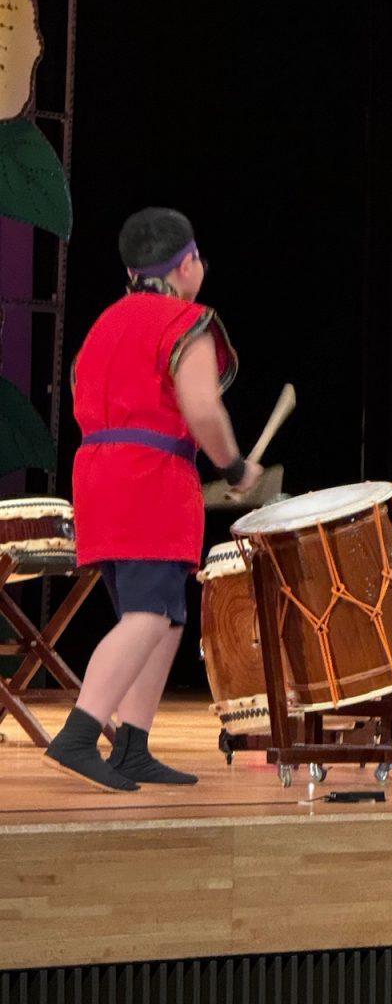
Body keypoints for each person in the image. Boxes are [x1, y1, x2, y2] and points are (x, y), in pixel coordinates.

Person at [44, 206, 262, 791]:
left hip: (98, 475)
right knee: (148, 615)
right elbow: (202, 409)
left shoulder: (104, 325)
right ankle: (79, 734)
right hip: (151, 477)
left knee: (164, 617)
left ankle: (132, 746)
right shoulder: (187, 322)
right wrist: (235, 465)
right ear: (187, 264)